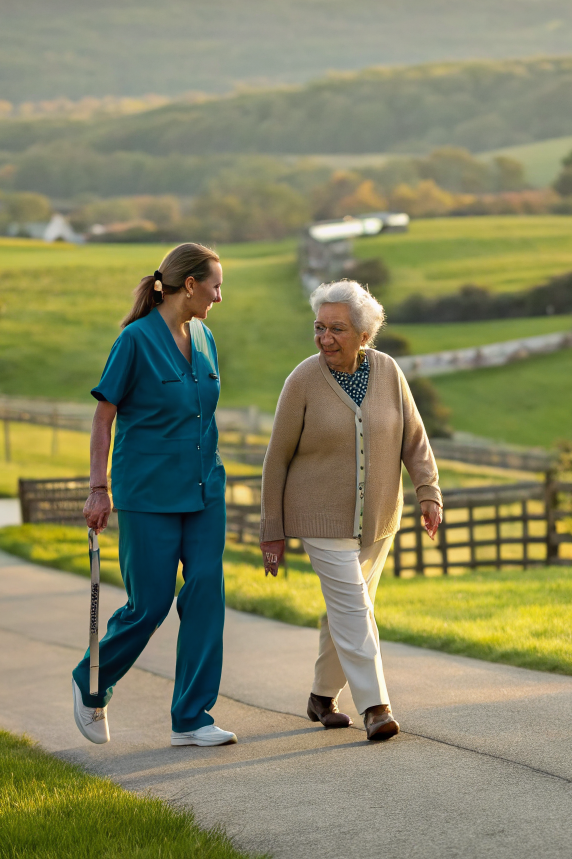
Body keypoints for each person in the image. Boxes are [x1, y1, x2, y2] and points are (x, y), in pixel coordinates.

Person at [259, 279, 442, 741]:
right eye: (319, 328)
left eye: (337, 329)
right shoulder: (302, 380)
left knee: (347, 609)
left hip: (378, 519)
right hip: (320, 518)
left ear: (364, 334)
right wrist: (272, 529)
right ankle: (376, 707)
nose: (325, 339)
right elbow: (276, 459)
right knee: (354, 609)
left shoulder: (389, 373)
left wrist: (428, 492)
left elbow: (414, 438)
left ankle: (321, 697)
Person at [71, 243, 237, 748]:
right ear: (190, 285)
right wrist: (99, 489)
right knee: (150, 604)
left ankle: (192, 718)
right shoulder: (135, 341)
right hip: (148, 494)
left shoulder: (205, 336)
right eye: (215, 285)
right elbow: (104, 418)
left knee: (207, 591)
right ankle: (91, 682)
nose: (219, 296)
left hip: (205, 488)